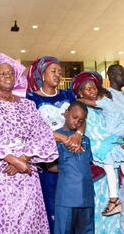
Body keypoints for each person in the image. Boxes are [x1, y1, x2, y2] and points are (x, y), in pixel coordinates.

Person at [0, 53, 59, 234]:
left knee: (29, 221)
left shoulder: (28, 105)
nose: (8, 76)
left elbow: (41, 133)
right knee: (5, 221)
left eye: (11, 73)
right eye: (2, 73)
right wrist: (12, 159)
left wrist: (23, 159)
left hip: (27, 173)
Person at [26, 55, 84, 233]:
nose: (58, 74)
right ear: (42, 74)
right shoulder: (31, 99)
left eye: (60, 72)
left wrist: (79, 135)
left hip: (73, 159)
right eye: (54, 71)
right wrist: (63, 138)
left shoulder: (68, 95)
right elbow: (33, 130)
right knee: (51, 208)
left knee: (74, 209)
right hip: (47, 162)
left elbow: (82, 115)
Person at [71, 71, 122, 233]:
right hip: (97, 167)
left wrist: (119, 142)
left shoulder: (101, 107)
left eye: (94, 88)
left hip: (111, 162)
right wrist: (114, 142)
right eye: (87, 89)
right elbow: (93, 136)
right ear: (80, 93)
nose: (92, 91)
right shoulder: (81, 111)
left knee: (114, 209)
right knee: (100, 210)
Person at [54, 101, 94, 234]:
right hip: (67, 198)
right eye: (74, 117)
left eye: (81, 120)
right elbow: (51, 167)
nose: (76, 122)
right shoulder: (56, 137)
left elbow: (87, 164)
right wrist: (68, 170)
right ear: (66, 114)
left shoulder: (86, 140)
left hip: (87, 198)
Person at [107, 64, 124, 232]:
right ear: (110, 74)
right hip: (115, 150)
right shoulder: (106, 95)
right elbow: (108, 126)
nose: (123, 75)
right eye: (120, 72)